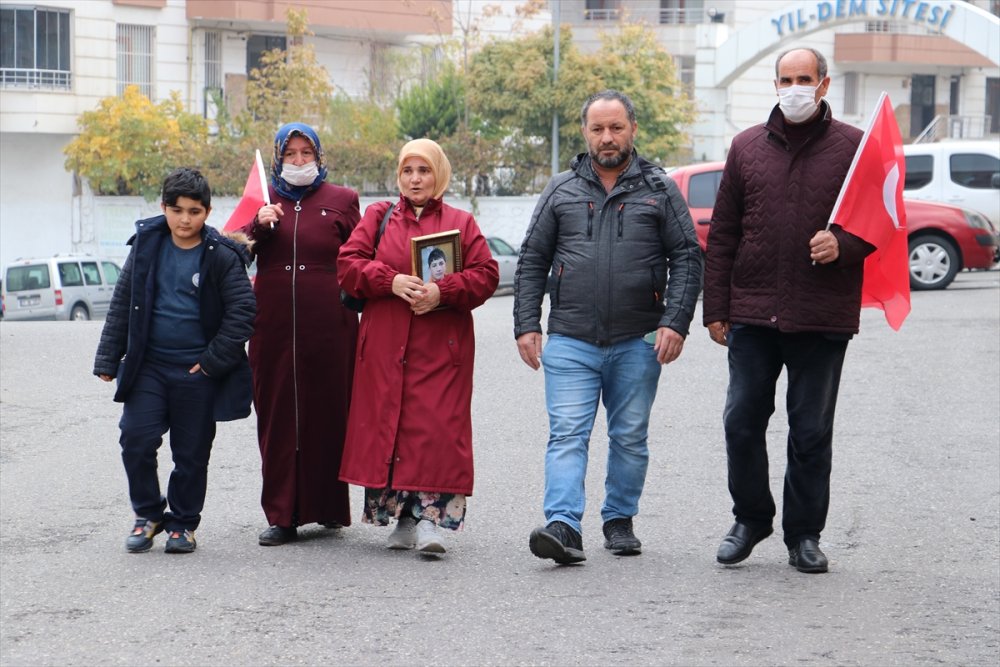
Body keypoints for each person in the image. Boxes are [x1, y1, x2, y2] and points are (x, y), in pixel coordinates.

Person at [703, 48, 874, 574]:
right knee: (741, 421)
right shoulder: (745, 146)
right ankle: (751, 519)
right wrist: (716, 307)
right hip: (753, 312)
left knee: (811, 432)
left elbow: (879, 221)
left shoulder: (855, 147)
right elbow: (724, 231)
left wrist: (844, 244)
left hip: (822, 314)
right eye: (785, 79)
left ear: (824, 84)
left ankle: (804, 535)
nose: (794, 87)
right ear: (774, 84)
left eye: (804, 78)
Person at [514, 90, 703, 565]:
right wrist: (526, 323)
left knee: (630, 436)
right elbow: (532, 258)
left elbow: (687, 257)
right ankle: (563, 525)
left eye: (616, 127)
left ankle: (619, 519)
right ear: (585, 132)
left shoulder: (660, 189)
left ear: (632, 129)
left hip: (639, 340)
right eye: (597, 128)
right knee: (567, 434)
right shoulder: (560, 189)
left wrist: (675, 321)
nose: (607, 137)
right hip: (570, 338)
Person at [337, 138, 499, 555]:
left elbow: (487, 275)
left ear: (438, 174)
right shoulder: (379, 217)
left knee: (435, 430)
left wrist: (444, 290)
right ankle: (403, 518)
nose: (415, 179)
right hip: (385, 345)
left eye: (424, 170)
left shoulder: (461, 222)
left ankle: (431, 521)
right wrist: (388, 281)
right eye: (407, 171)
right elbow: (348, 265)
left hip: (441, 347)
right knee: (390, 427)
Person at [93, 167, 256, 554]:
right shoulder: (146, 245)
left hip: (197, 372)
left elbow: (243, 312)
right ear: (164, 207)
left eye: (194, 212)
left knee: (192, 453)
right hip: (148, 367)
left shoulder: (221, 255)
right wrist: (108, 358)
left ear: (208, 212)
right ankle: (148, 514)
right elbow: (123, 301)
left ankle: (183, 522)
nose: (185, 220)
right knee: (135, 438)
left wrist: (212, 362)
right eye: (177, 210)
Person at [242, 123, 361, 546]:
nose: (298, 161)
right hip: (272, 328)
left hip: (331, 326)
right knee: (276, 416)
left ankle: (328, 506)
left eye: (305, 153)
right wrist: (257, 226)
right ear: (278, 158)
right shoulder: (262, 200)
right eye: (290, 154)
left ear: (318, 156)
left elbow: (361, 256)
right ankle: (282, 514)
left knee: (329, 413)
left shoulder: (343, 199)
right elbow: (231, 253)